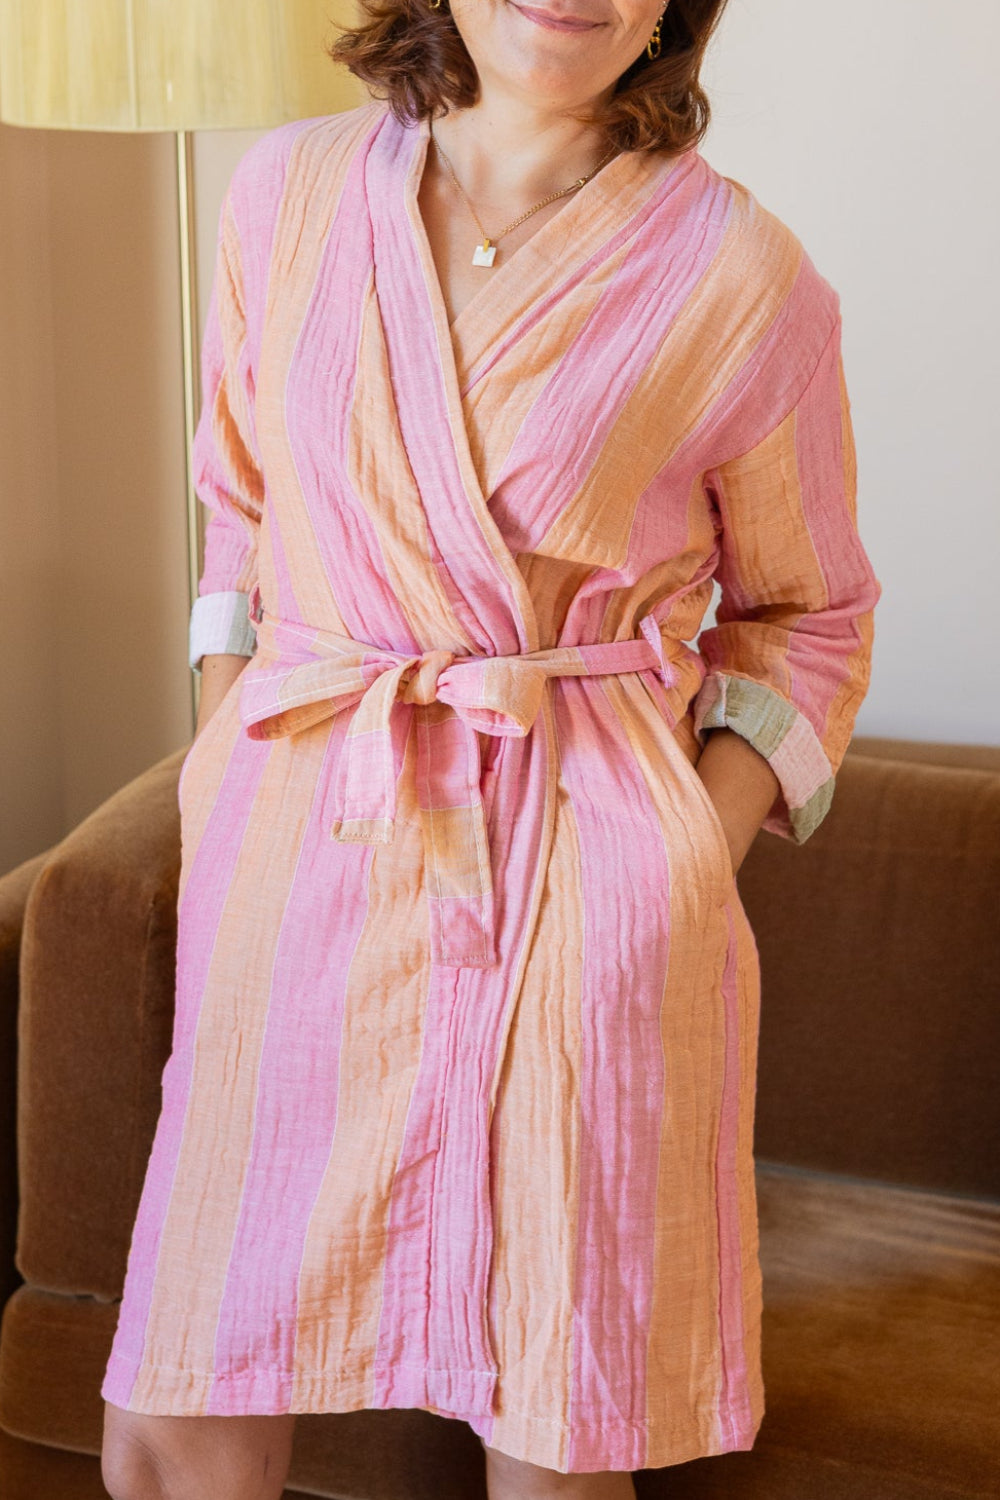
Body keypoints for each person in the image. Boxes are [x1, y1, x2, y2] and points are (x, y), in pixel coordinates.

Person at [99, 0, 881, 1495]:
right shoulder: (286, 196)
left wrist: (682, 856)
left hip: (578, 885)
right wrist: (224, 749)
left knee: (554, 1417)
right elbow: (241, 507)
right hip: (303, 842)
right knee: (183, 1403)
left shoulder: (743, 277)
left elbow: (810, 615)